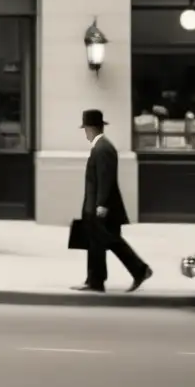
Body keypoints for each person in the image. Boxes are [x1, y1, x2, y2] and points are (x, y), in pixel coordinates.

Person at [72, 109, 153, 294]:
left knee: (110, 241)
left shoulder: (103, 148)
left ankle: (139, 270)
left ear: (91, 129)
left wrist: (101, 204)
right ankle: (95, 281)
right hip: (95, 206)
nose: (85, 133)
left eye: (86, 128)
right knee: (97, 244)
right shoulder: (101, 147)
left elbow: (105, 178)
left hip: (101, 208)